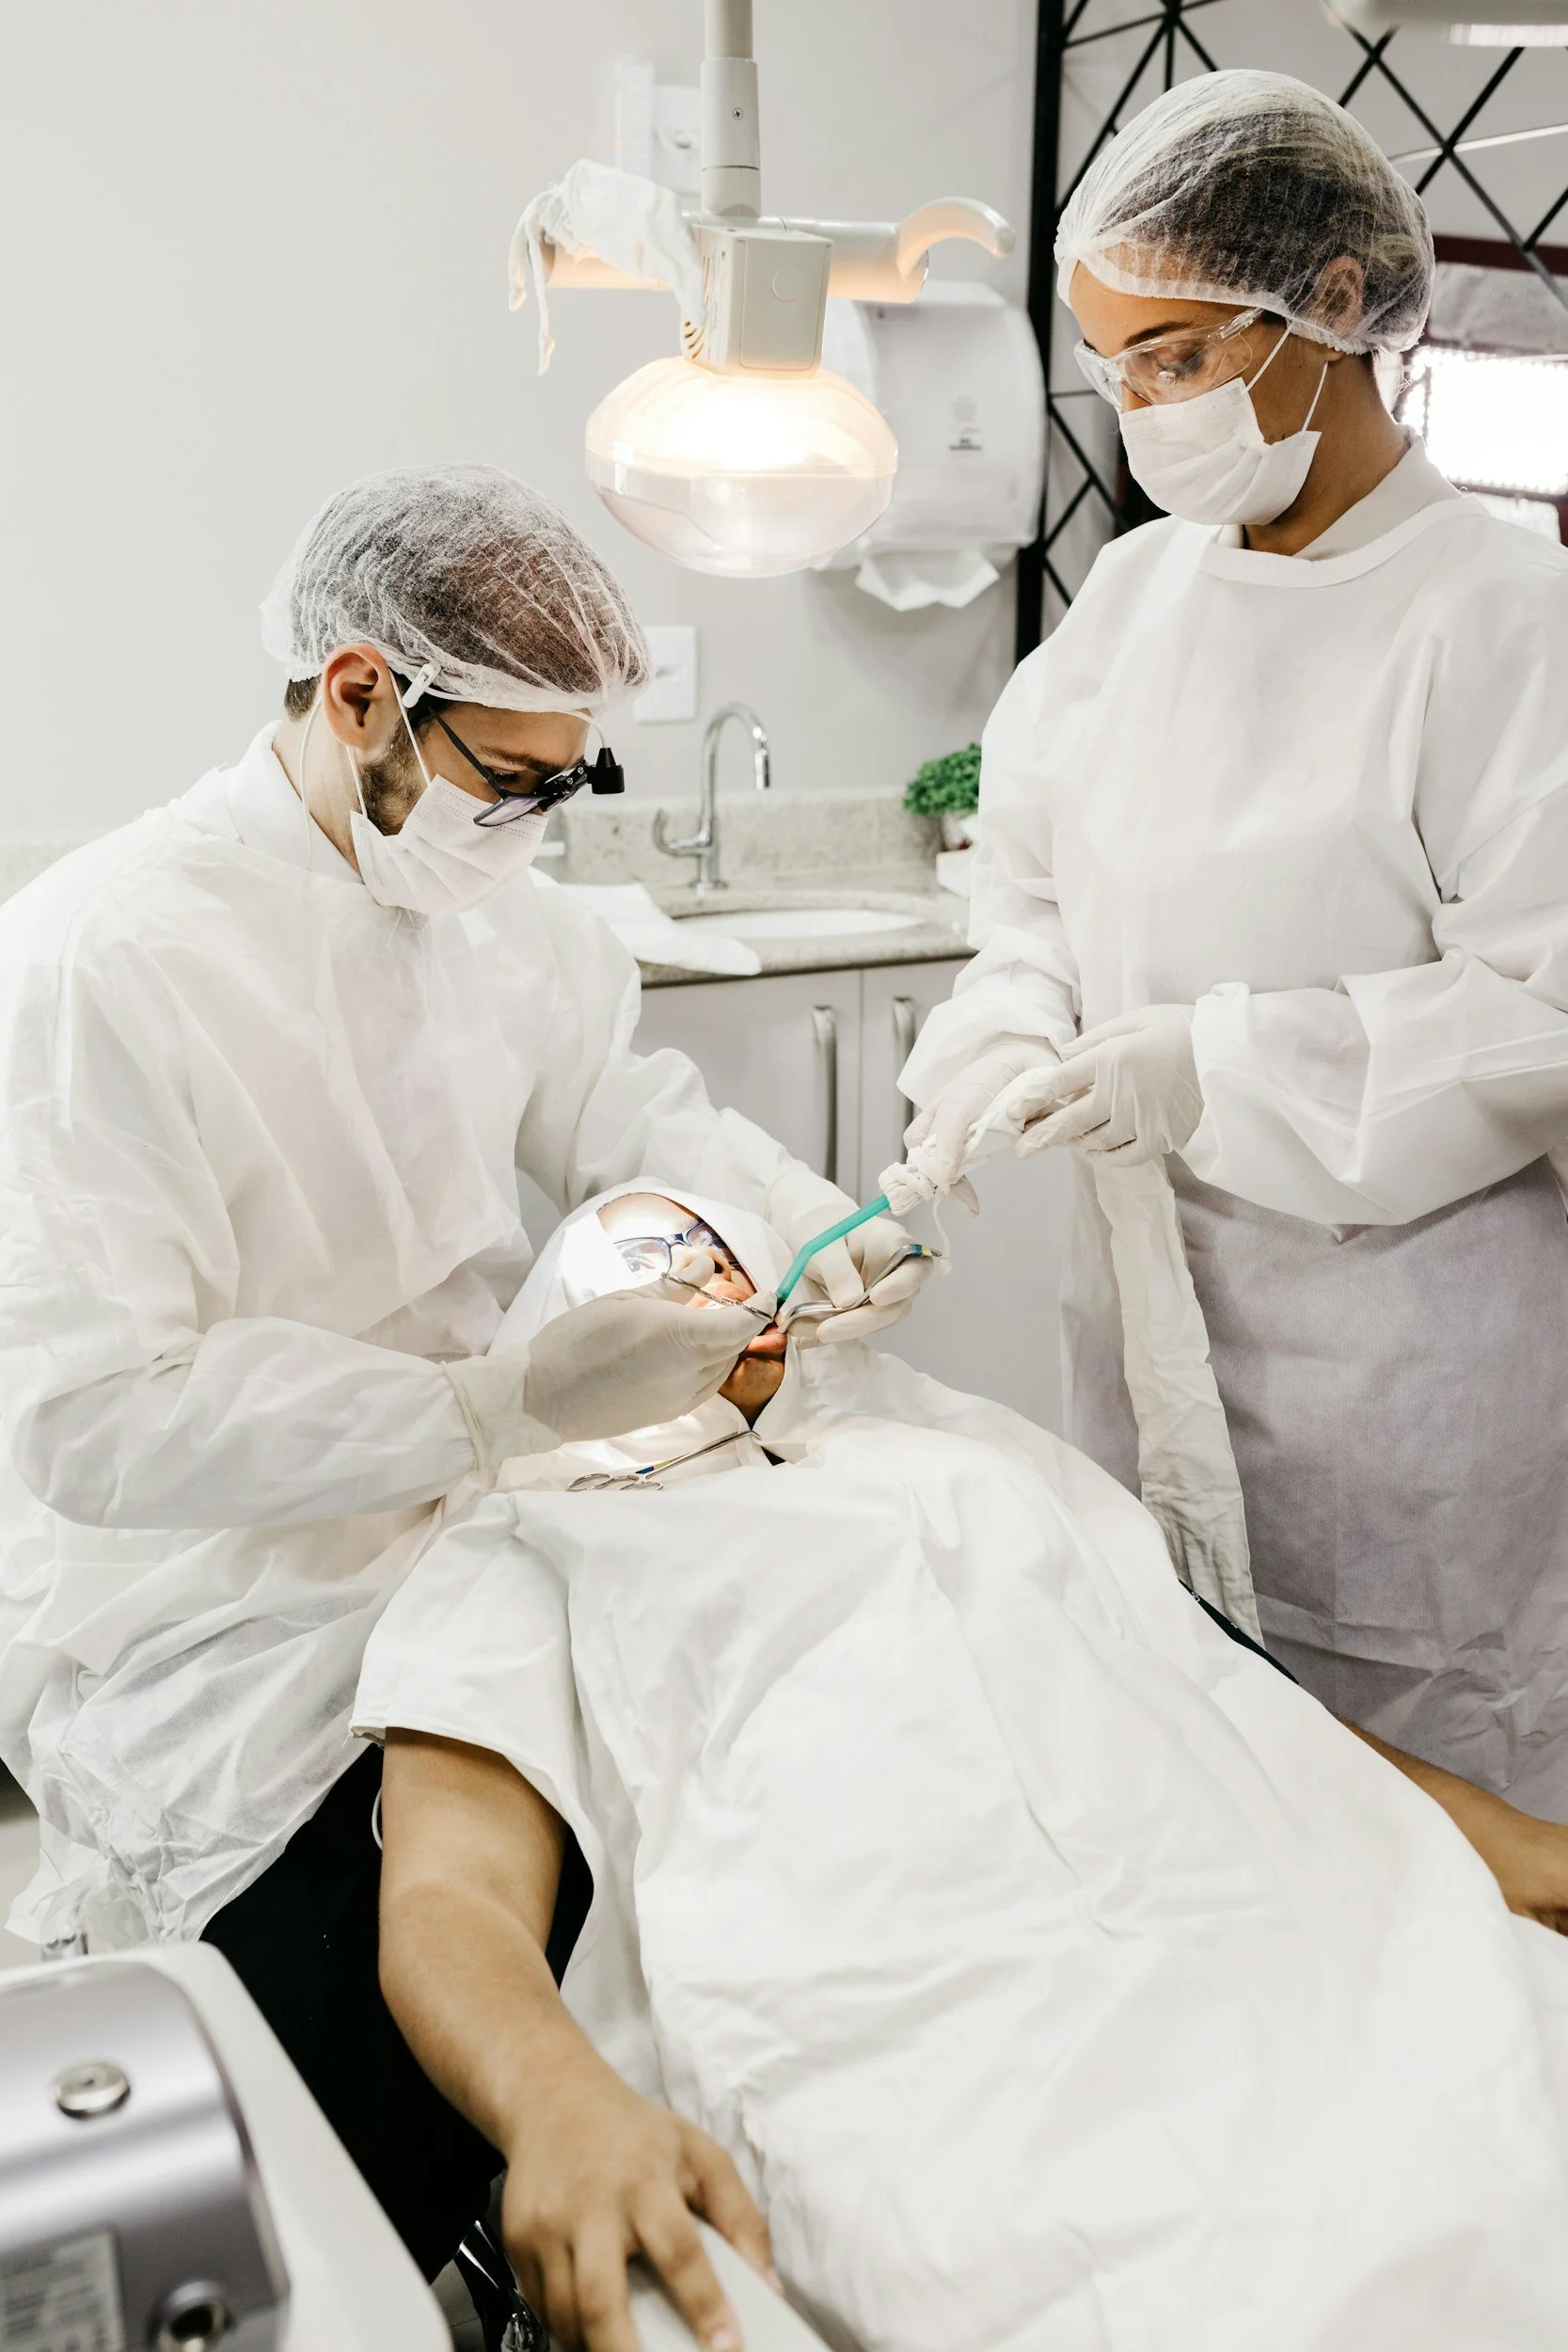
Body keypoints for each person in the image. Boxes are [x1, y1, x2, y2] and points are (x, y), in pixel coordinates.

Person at [0, 464, 928, 2278]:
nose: (541, 823)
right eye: (514, 777)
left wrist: (827, 1228)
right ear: (360, 697)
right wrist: (479, 1406)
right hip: (222, 1590)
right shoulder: (105, 959)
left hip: (506, 1508)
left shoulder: (515, 916)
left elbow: (629, 1118)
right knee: (392, 2012)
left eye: (574, 777)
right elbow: (90, 1422)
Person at [356, 1184, 1568, 2352]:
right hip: (899, 1984)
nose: (710, 1286)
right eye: (655, 1272)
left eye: (718, 1253)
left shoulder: (931, 1442)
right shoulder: (526, 1538)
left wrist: (1494, 1834)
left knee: (1489, 2139)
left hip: (1243, 1909)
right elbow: (446, 1889)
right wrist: (551, 2098)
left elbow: (1206, 1683)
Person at [902, 70, 1568, 1820]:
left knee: (1434, 1846)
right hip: (1144, 1343)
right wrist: (998, 1030)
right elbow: (1027, 889)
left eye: (1176, 359)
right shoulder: (1134, 597)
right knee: (1195, 1785)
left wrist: (1208, 1065)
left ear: (1333, 307)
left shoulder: (1501, 626)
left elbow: (1545, 1009)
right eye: (1114, 368)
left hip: (1403, 1399)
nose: (1139, 413)